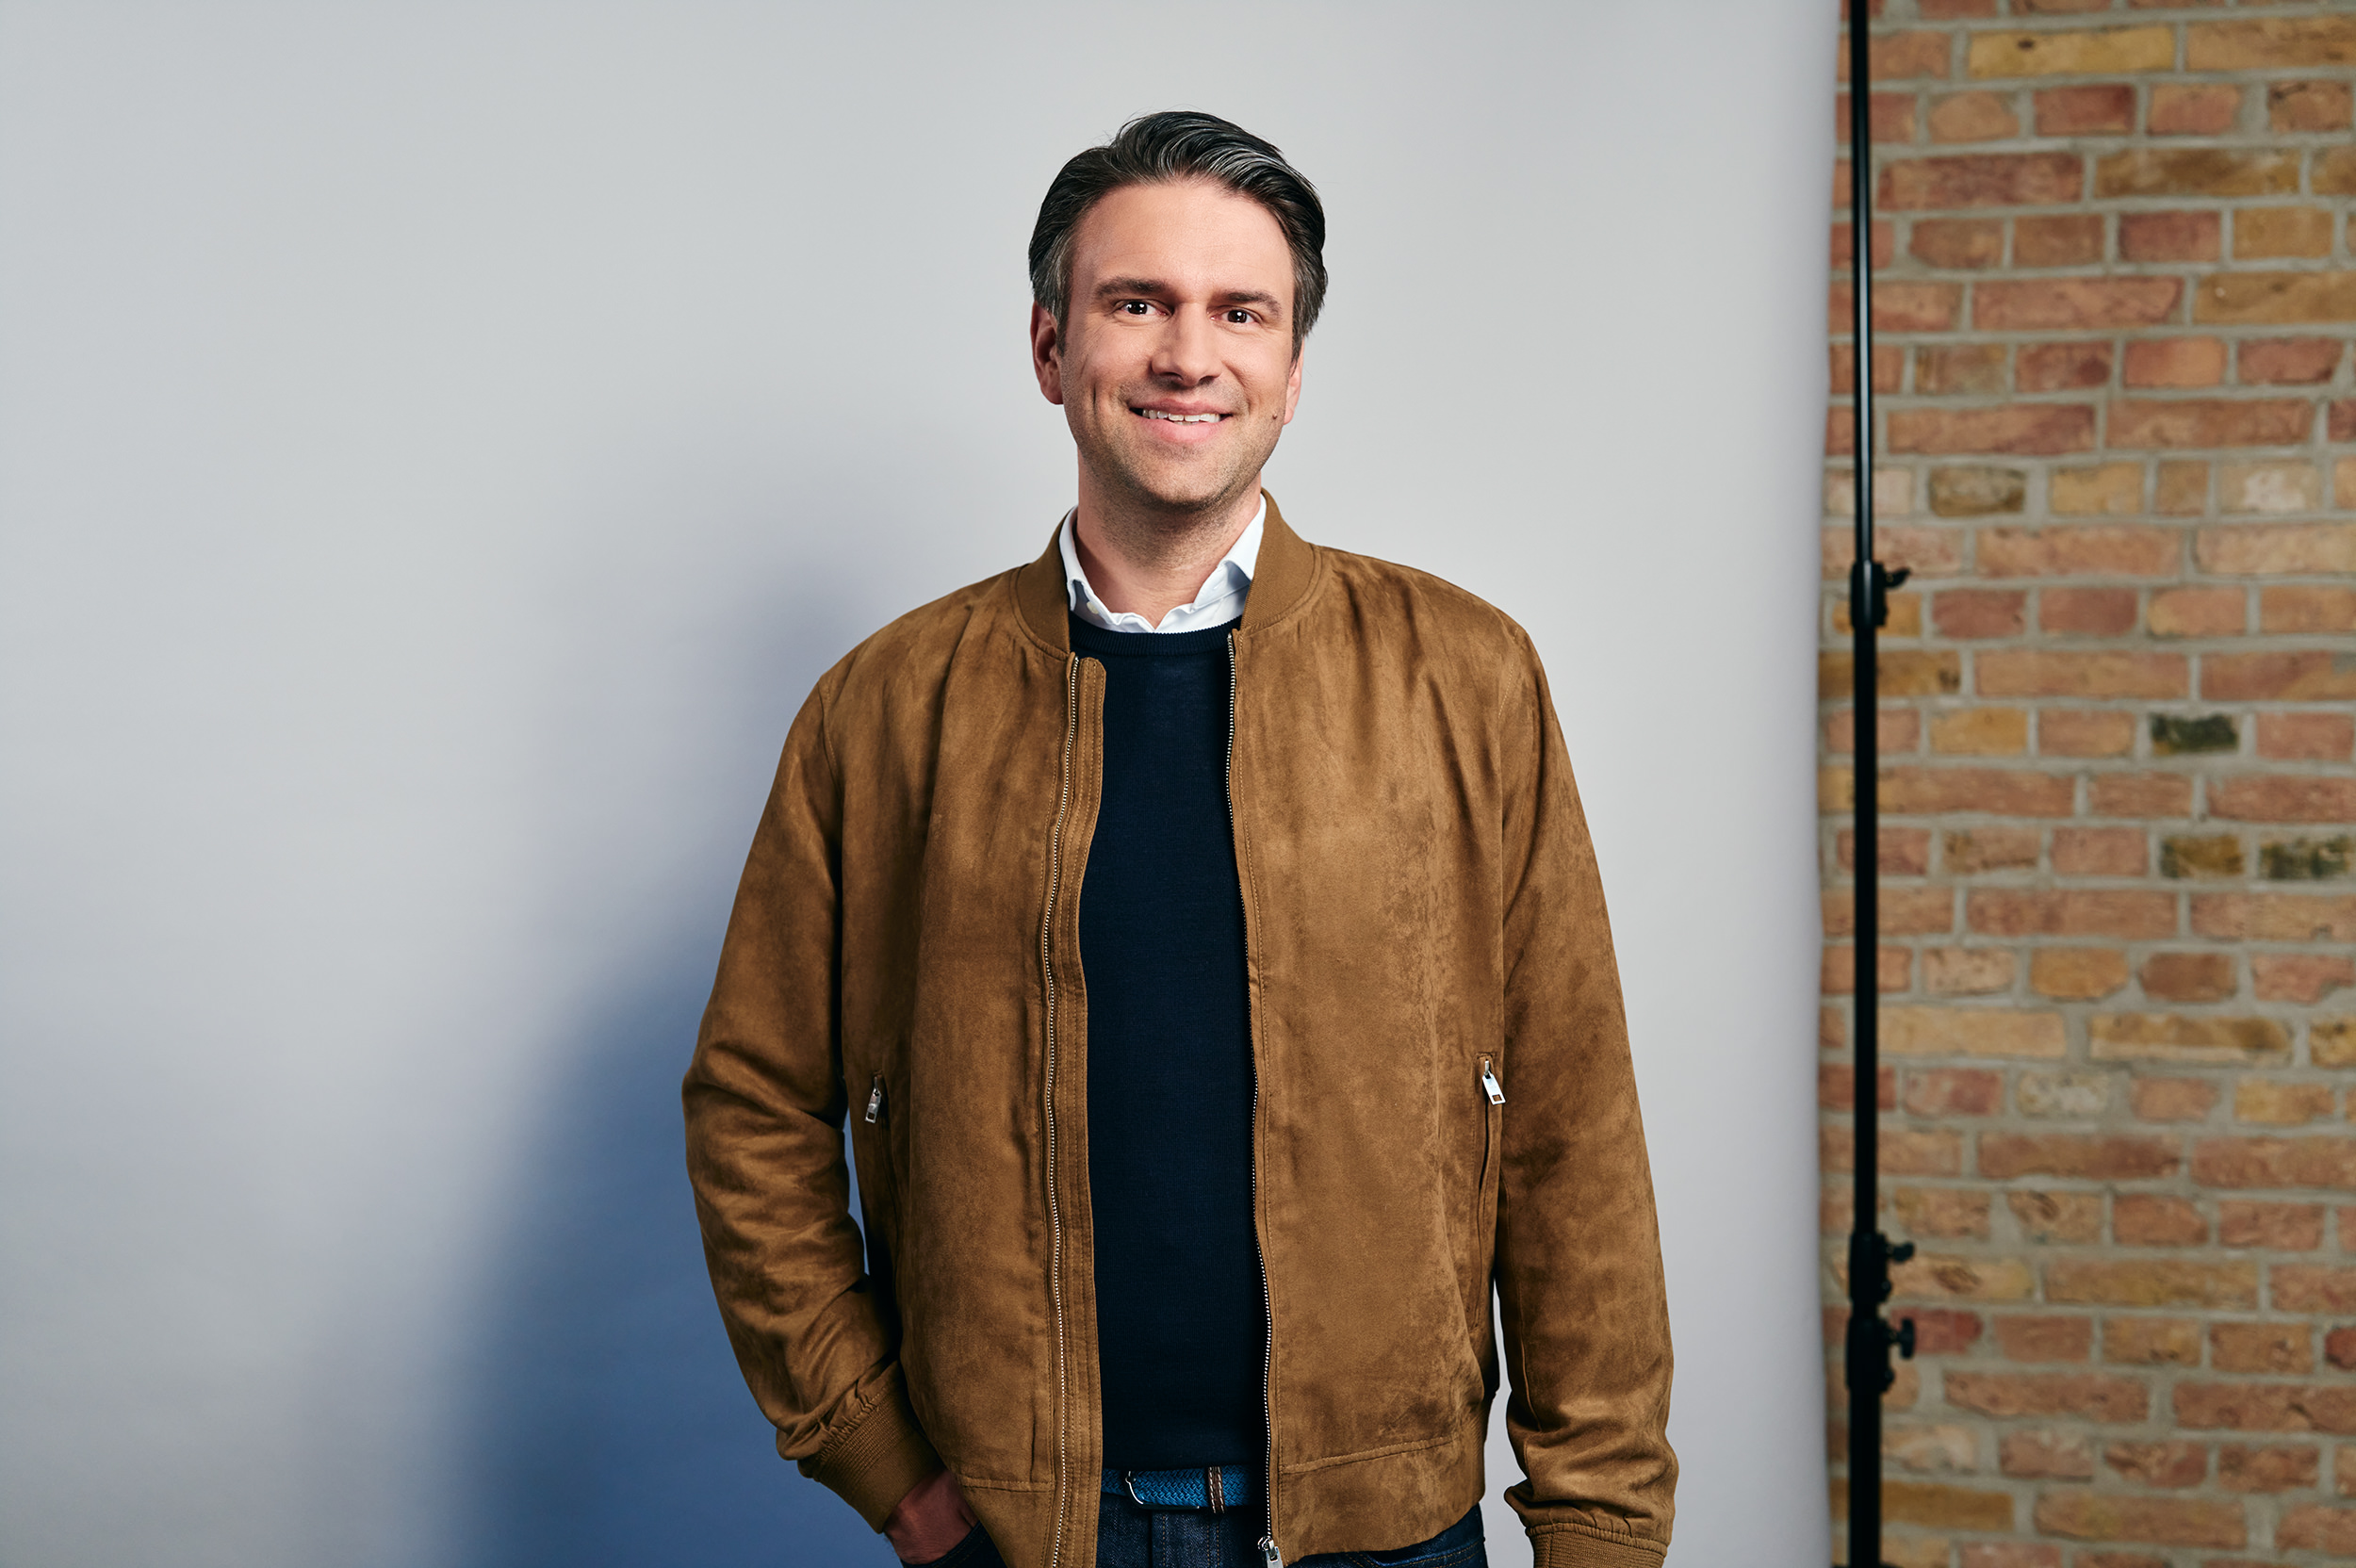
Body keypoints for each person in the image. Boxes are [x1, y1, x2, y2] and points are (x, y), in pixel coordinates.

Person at [682, 110, 1675, 1568]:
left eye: (1240, 312)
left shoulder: (1465, 679)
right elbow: (751, 1105)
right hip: (1024, 1532)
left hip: (1385, 1536)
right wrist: (894, 1474)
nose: (1187, 355)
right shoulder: (885, 710)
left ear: (1292, 369)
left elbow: (1571, 1131)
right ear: (1051, 347)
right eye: (1137, 303)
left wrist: (1599, 1532)